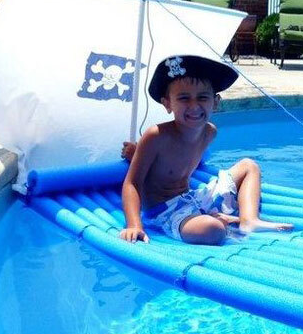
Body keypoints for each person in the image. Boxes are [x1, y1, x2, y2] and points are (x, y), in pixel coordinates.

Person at [118, 55, 292, 245]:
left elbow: (179, 160)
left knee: (249, 165)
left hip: (195, 198)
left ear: (215, 102)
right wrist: (135, 224)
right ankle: (219, 221)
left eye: (202, 97)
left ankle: (249, 220)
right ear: (167, 104)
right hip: (167, 211)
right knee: (213, 230)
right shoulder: (156, 136)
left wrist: (137, 153)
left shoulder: (209, 132)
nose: (194, 106)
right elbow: (132, 183)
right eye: (184, 98)